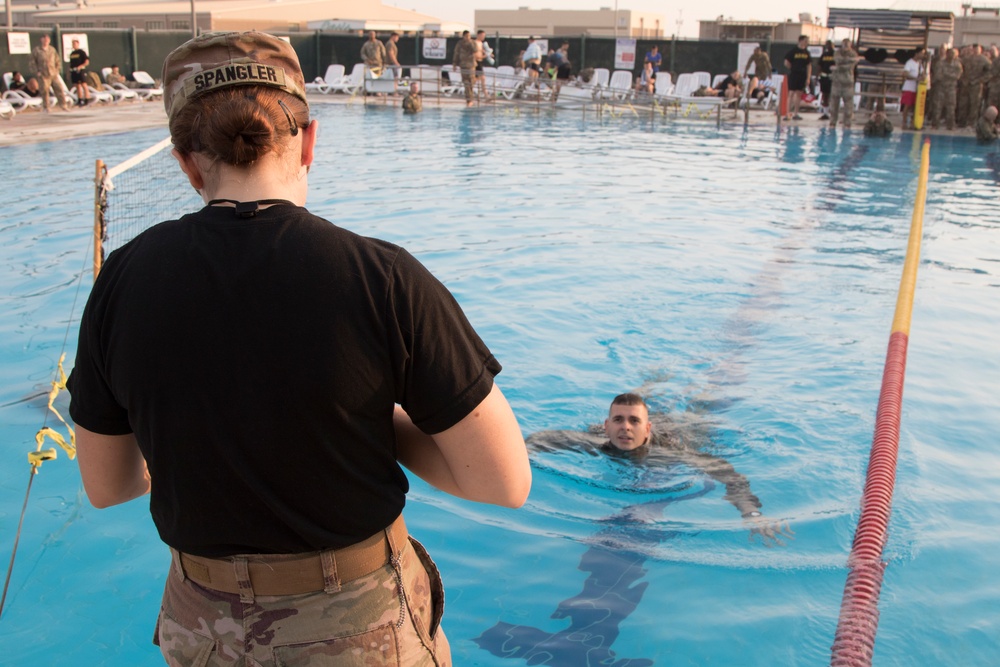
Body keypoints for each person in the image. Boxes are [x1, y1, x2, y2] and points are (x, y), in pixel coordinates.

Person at [67, 30, 531, 666]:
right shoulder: (383, 279)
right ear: (310, 140)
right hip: (359, 630)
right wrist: (367, 426)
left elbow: (106, 483)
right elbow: (503, 481)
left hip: (204, 630)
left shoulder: (121, 280)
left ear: (184, 159)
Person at [527, 394, 791, 545]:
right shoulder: (595, 443)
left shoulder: (670, 454)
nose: (626, 427)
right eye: (618, 420)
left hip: (684, 432)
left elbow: (727, 473)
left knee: (699, 411)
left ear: (647, 428)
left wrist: (751, 512)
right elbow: (542, 439)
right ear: (606, 426)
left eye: (634, 421)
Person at [30, 34, 69, 112]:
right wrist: (37, 72)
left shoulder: (52, 50)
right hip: (43, 74)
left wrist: (57, 70)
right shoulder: (37, 50)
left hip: (53, 73)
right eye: (44, 39)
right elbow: (32, 62)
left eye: (47, 40)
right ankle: (46, 107)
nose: (46, 41)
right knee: (44, 90)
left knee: (59, 88)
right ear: (41, 40)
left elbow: (57, 60)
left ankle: (63, 105)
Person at [829, 38, 860, 129]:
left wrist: (837, 68)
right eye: (844, 44)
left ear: (850, 45)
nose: (846, 45)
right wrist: (850, 60)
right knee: (834, 104)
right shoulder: (837, 52)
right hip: (836, 82)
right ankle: (832, 122)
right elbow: (838, 60)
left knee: (848, 105)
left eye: (847, 44)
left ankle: (847, 123)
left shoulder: (853, 53)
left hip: (848, 82)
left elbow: (850, 66)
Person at [929, 47, 963, 130]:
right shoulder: (940, 63)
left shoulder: (957, 65)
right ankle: (935, 124)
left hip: (951, 89)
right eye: (950, 53)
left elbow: (957, 76)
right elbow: (938, 76)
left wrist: (946, 74)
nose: (952, 55)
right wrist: (950, 75)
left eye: (953, 54)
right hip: (940, 88)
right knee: (937, 106)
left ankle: (950, 125)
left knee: (951, 107)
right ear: (947, 54)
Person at [783, 35, 812, 121]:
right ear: (801, 41)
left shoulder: (806, 52)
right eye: (805, 41)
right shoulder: (793, 51)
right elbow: (786, 62)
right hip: (794, 74)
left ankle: (796, 113)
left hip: (802, 75)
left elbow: (809, 65)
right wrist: (793, 68)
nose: (807, 43)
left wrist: (808, 77)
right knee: (791, 93)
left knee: (799, 94)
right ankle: (787, 113)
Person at [901, 47, 928, 130]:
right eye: (921, 53)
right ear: (917, 54)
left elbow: (922, 74)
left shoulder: (920, 64)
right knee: (907, 105)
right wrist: (916, 79)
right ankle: (904, 122)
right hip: (909, 87)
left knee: (915, 106)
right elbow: (905, 74)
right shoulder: (910, 62)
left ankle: (914, 123)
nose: (923, 55)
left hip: (917, 89)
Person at [453, 30, 479, 107]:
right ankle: (469, 99)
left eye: (469, 36)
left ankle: (471, 98)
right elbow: (456, 53)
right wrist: (454, 63)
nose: (468, 37)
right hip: (463, 65)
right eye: (466, 36)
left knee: (471, 82)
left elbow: (475, 50)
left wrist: (470, 43)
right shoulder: (460, 44)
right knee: (466, 82)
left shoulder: (473, 43)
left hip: (471, 65)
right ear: (463, 36)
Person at [69, 38, 92, 106]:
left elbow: (87, 62)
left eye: (75, 44)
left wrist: (80, 67)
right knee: (77, 85)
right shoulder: (72, 54)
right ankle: (80, 100)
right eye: (73, 44)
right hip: (74, 71)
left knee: (84, 84)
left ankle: (87, 99)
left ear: (78, 44)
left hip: (80, 71)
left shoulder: (81, 52)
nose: (74, 45)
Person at [817, 40, 835, 120]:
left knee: (833, 95)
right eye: (827, 45)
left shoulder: (836, 55)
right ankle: (825, 113)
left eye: (830, 45)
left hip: (833, 77)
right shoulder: (824, 55)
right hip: (824, 77)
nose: (828, 47)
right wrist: (818, 75)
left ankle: (833, 113)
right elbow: (819, 65)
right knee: (825, 95)